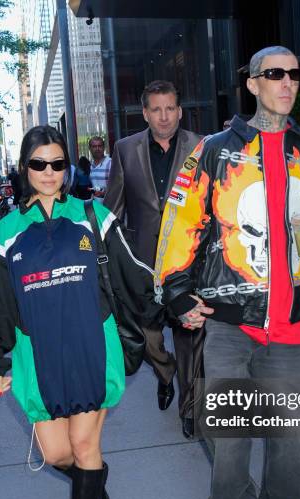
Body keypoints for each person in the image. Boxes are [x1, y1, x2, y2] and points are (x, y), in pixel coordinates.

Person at [155, 46, 300, 499]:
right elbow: (180, 225)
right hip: (230, 319)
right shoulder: (213, 151)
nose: (287, 83)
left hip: (295, 319)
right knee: (232, 431)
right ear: (252, 84)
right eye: (275, 74)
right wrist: (176, 292)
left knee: (290, 432)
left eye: (295, 74)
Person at [0, 125, 159, 499]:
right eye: (39, 163)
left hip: (93, 349)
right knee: (59, 452)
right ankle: (92, 480)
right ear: (25, 168)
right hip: (35, 357)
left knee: (83, 445)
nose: (49, 172)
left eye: (58, 163)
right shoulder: (7, 232)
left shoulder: (92, 215)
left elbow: (134, 273)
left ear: (68, 166)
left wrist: (175, 301)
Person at [104, 80, 204, 438]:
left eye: (170, 108)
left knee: (191, 339)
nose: (164, 116)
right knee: (147, 340)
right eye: (156, 110)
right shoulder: (125, 149)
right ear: (145, 113)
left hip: (189, 265)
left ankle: (191, 409)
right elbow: (112, 209)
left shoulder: (202, 147)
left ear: (179, 110)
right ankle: (165, 374)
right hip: (142, 265)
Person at [88, 136, 112, 201]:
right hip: (97, 207)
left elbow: (117, 186)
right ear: (90, 148)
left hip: (109, 206)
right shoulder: (91, 166)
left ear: (104, 148)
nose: (97, 148)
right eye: (94, 146)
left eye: (100, 146)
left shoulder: (110, 163)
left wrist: (104, 193)